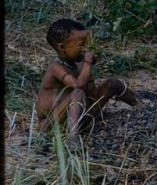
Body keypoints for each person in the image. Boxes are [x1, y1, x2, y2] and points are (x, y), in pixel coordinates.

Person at [37, 19, 140, 148]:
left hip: (81, 116)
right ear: (62, 47)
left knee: (112, 83)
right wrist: (87, 62)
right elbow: (78, 86)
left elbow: (90, 92)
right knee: (78, 92)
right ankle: (73, 137)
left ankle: (140, 107)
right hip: (53, 123)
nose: (85, 48)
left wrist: (89, 72)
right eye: (81, 44)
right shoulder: (55, 68)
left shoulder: (79, 65)